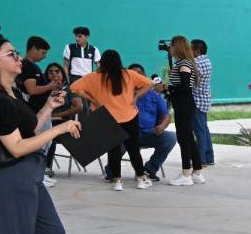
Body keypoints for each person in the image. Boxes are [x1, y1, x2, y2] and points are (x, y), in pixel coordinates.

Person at [0, 34, 98, 234]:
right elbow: (15, 148)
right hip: (10, 178)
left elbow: (29, 130)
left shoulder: (14, 92)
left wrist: (49, 108)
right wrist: (59, 129)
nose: (18, 58)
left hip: (30, 174)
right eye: (11, 54)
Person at [70, 49, 154, 192]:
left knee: (113, 150)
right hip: (129, 116)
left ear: (102, 62)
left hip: (107, 117)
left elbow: (73, 88)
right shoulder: (129, 74)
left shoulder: (93, 77)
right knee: (133, 149)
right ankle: (141, 178)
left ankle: (117, 181)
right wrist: (136, 97)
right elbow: (149, 83)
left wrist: (92, 99)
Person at [165, 35, 205, 186]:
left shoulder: (184, 64)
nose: (170, 48)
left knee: (183, 138)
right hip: (183, 104)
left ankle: (185, 172)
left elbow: (184, 87)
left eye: (171, 45)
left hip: (184, 104)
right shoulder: (183, 63)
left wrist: (167, 88)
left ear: (177, 47)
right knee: (188, 136)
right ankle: (197, 171)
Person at [128, 63, 176, 181]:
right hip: (127, 134)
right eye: (133, 74)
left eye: (140, 73)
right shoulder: (123, 95)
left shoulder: (155, 96)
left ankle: (149, 170)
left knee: (171, 137)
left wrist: (162, 125)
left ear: (145, 76)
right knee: (118, 138)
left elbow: (167, 116)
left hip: (148, 134)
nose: (137, 76)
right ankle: (111, 171)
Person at [41, 62, 83, 184]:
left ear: (62, 74)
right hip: (44, 122)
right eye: (51, 72)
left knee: (49, 136)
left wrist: (56, 115)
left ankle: (46, 167)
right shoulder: (44, 89)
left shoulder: (68, 89)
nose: (54, 74)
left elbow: (79, 107)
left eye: (57, 71)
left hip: (64, 124)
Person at [17, 36, 57, 113]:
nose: (45, 56)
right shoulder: (27, 66)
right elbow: (32, 90)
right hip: (34, 112)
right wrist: (50, 86)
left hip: (40, 111)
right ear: (34, 49)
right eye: (43, 53)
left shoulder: (33, 66)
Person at [191, 39, 215, 167]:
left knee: (199, 131)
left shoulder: (196, 63)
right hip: (204, 99)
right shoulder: (206, 61)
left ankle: (200, 160)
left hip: (196, 100)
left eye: (190, 49)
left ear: (196, 51)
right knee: (203, 129)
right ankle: (208, 156)